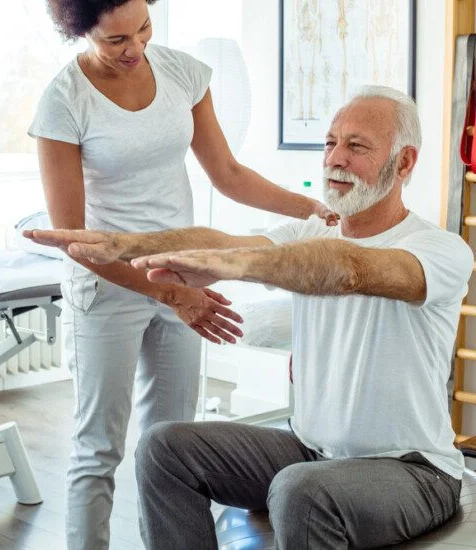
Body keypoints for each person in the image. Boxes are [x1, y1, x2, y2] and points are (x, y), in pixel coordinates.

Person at [24, 85, 474, 549]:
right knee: (163, 449)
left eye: (356, 146)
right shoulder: (308, 229)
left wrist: (240, 265)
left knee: (299, 489)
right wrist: (126, 244)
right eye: (330, 142)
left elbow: (349, 270)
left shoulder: (437, 249)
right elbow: (228, 241)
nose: (335, 158)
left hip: (411, 470)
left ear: (403, 163)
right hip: (311, 449)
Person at [28, 1, 337, 548]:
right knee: (99, 446)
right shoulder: (62, 102)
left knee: (170, 443)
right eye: (115, 39)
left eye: (143, 28)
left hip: (182, 278)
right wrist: (168, 293)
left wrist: (311, 210)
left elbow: (229, 173)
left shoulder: (182, 74)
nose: (135, 49)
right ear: (80, 32)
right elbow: (76, 239)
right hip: (109, 286)